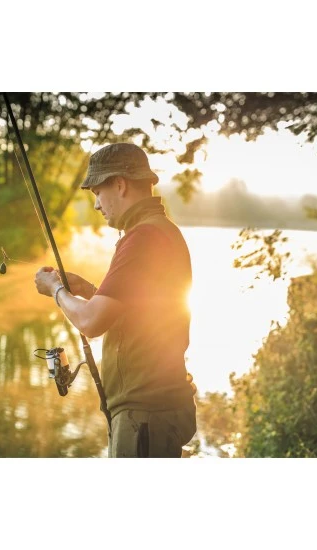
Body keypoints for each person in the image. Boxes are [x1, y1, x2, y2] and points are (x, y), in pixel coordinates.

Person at [35, 142, 197, 458]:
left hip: (145, 412)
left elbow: (91, 322)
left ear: (120, 185)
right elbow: (140, 312)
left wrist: (56, 290)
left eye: (98, 193)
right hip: (153, 409)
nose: (97, 205)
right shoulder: (158, 231)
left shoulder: (144, 237)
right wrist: (86, 290)